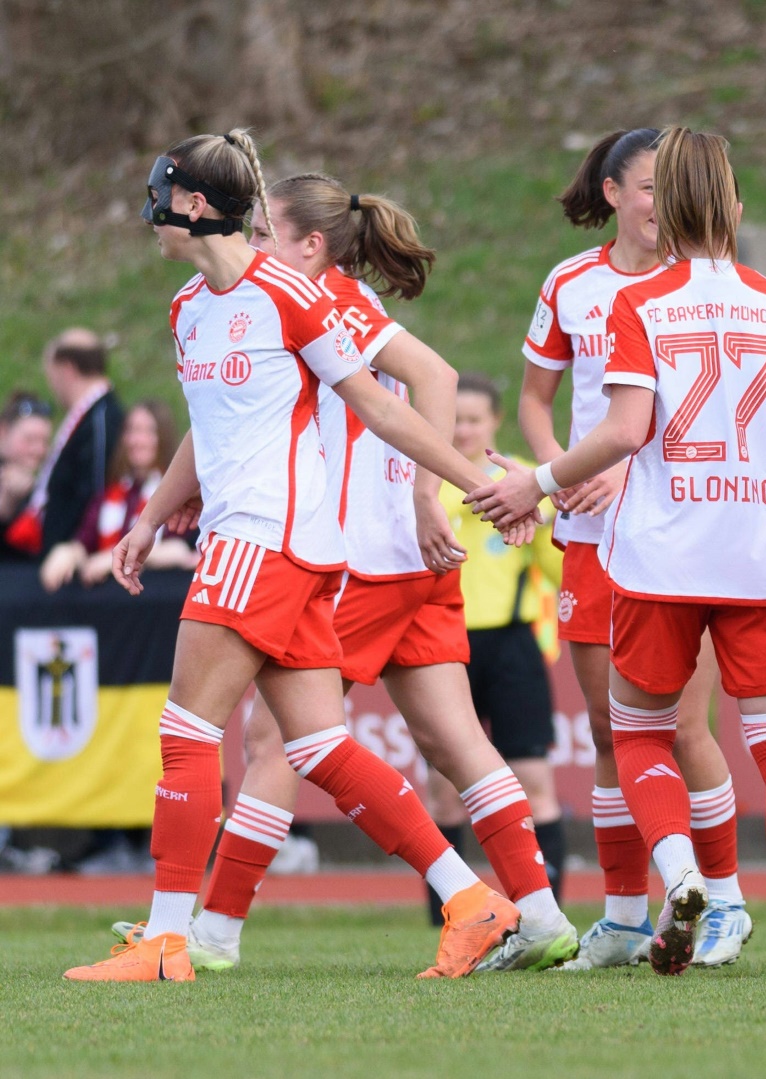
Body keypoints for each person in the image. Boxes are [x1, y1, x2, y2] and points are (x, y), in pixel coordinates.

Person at [65, 129, 533, 983]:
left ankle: (169, 942)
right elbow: (206, 435)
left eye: (158, 197)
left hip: (265, 541)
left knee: (185, 732)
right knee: (318, 745)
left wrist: (471, 482)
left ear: (195, 205)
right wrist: (147, 518)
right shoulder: (186, 308)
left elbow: (382, 408)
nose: (148, 216)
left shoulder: (290, 294)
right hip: (281, 546)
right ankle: (474, 902)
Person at [470, 126, 766, 979]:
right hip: (754, 555)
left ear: (664, 208)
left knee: (635, 734)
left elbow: (626, 430)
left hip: (659, 560)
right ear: (736, 207)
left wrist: (541, 481)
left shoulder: (638, 303)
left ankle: (681, 879)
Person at [516, 127, 738, 970]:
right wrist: (553, 475)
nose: (657, 204)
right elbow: (538, 398)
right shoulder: (571, 283)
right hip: (588, 539)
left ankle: (725, 903)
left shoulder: (702, 289)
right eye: (645, 188)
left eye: (667, 188)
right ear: (613, 194)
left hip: (683, 532)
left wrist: (623, 466)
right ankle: (617, 914)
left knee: (683, 724)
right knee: (613, 732)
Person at [429, 372, 569, 934]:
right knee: (444, 788)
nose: (462, 429)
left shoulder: (519, 484)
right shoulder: (424, 481)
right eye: (454, 419)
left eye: (473, 419)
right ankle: (449, 916)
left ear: (494, 423)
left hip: (511, 644)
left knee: (534, 778)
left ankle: (546, 909)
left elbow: (555, 569)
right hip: (445, 645)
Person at [39, 399, 196, 590]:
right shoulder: (110, 494)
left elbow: (181, 551)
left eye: (147, 432)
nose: (137, 441)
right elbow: (84, 541)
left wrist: (119, 558)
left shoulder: (179, 493)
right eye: (132, 431)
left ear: (163, 437)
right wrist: (67, 553)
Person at [25, 329, 125, 554]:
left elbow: (97, 489)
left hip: (72, 559)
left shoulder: (101, 419)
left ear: (67, 369)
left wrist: (76, 546)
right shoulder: (88, 416)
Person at [0, 393, 53, 561]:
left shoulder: (45, 486)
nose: (38, 450)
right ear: (2, 433)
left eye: (44, 441)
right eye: (29, 440)